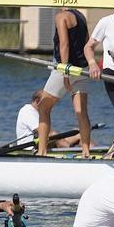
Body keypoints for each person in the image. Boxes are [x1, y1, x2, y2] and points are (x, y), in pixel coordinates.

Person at [36, 8, 92, 157]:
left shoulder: (61, 17)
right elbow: (87, 42)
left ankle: (42, 151)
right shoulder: (81, 17)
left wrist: (66, 72)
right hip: (82, 68)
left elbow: (64, 45)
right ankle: (86, 150)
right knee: (81, 112)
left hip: (66, 68)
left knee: (43, 108)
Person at [16, 90, 82, 150]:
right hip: (30, 148)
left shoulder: (39, 112)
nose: (50, 105)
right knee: (53, 134)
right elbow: (42, 131)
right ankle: (68, 152)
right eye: (47, 102)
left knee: (79, 133)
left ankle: (89, 153)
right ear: (37, 101)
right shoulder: (27, 111)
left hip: (43, 143)